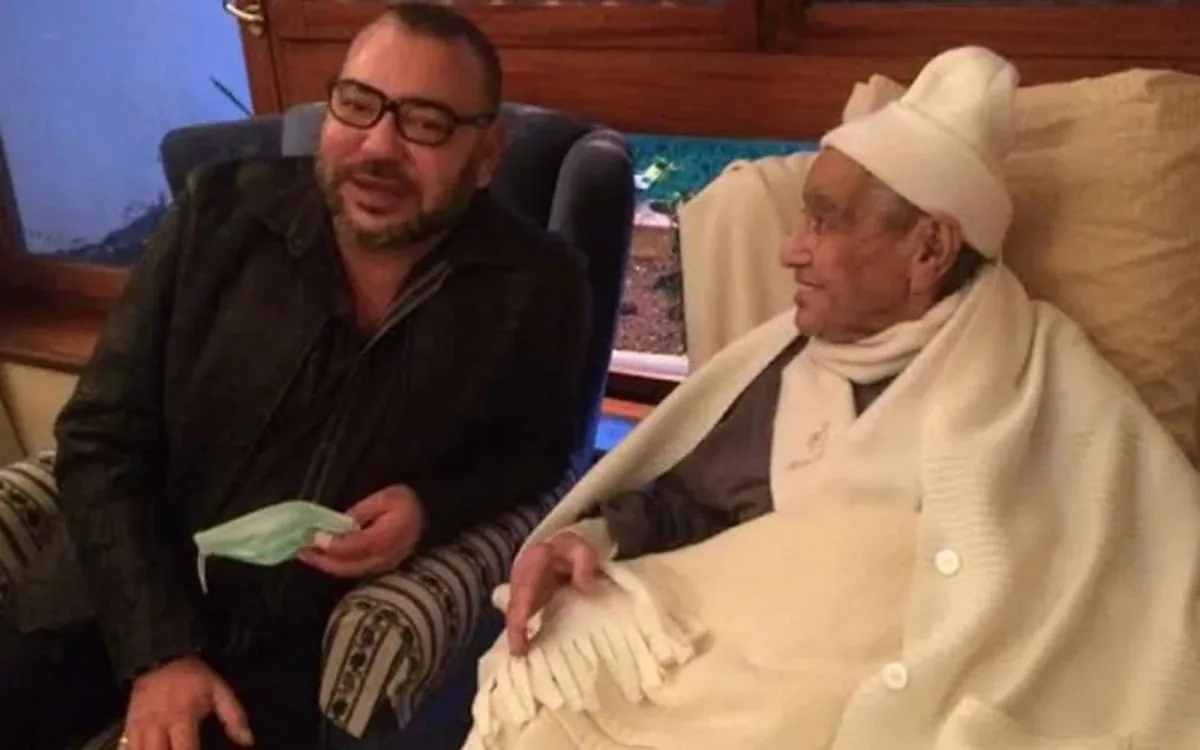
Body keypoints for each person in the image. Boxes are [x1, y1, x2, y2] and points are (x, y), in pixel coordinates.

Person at [463, 47, 1200, 750]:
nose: (791, 250)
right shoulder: (781, 364)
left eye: (823, 220)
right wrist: (593, 540)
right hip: (744, 672)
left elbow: (1144, 568)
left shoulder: (1046, 377)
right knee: (548, 678)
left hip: (912, 693)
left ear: (930, 250)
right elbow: (688, 505)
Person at [0, 4, 591, 750]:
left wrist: (431, 508)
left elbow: (542, 452)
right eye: (358, 103)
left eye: (426, 123)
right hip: (113, 595)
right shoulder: (218, 216)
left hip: (290, 652)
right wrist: (160, 652)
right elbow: (99, 437)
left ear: (487, 155)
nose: (378, 147)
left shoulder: (536, 287)